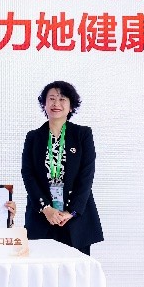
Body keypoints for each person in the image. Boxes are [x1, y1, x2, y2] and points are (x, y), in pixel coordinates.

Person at [21, 81, 103, 255]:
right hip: (41, 217)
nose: (56, 103)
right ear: (44, 104)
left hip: (75, 220)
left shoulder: (83, 134)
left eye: (62, 99)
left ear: (71, 106)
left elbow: (87, 175)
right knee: (41, 267)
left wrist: (71, 211)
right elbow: (28, 174)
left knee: (75, 270)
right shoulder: (33, 137)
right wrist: (46, 208)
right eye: (51, 98)